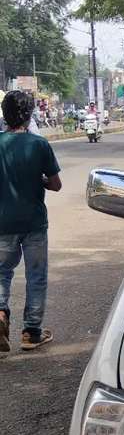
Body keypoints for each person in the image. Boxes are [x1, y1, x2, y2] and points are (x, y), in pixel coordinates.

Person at [0, 90, 62, 353]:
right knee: (36, 277)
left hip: (2, 223)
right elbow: (56, 184)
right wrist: (40, 181)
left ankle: (1, 316)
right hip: (34, 223)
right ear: (29, 115)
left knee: (1, 273)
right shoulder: (39, 144)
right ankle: (31, 333)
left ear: (4, 115)